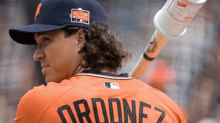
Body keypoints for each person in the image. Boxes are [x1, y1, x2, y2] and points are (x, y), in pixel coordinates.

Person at [9, 0, 187, 122]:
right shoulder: (168, 108)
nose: (37, 55)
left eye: (45, 41)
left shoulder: (40, 104)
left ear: (79, 40)